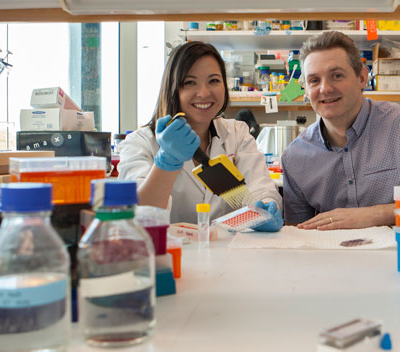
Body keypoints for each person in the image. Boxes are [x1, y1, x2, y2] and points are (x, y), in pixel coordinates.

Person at [281, 31, 400, 230]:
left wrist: (376, 215)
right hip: (334, 259)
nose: (325, 89)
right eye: (314, 80)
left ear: (362, 77)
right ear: (306, 89)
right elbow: (298, 236)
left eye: (336, 76)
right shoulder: (295, 157)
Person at [118, 41, 282, 232]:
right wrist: (167, 161)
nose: (204, 93)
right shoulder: (140, 143)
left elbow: (259, 187)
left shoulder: (236, 133)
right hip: (171, 252)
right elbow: (140, 213)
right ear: (172, 89)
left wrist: (267, 206)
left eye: (213, 81)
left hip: (229, 253)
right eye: (190, 82)